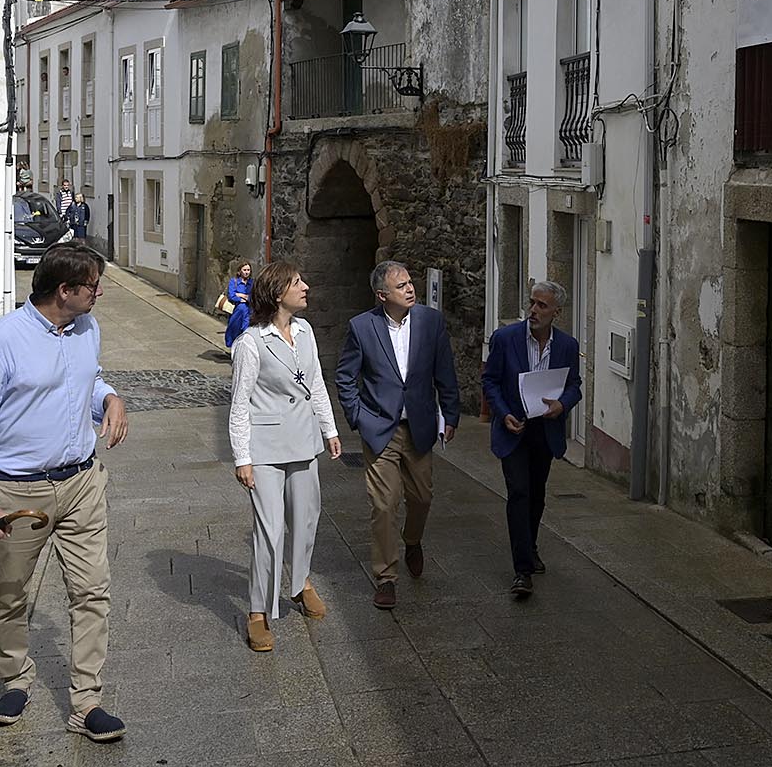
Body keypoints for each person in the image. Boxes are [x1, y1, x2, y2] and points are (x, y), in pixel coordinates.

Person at [0, 241, 129, 743]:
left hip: (80, 482)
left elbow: (84, 380)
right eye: (93, 286)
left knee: (92, 590)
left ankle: (87, 701)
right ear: (65, 290)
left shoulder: (86, 328)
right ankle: (14, 677)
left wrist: (110, 397)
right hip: (17, 494)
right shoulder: (3, 341)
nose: (100, 293)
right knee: (10, 592)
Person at [228, 261, 341, 652]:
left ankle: (300, 582)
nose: (306, 286)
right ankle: (258, 611)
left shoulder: (306, 332)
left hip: (304, 441)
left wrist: (329, 430)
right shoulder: (251, 343)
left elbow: (317, 384)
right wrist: (242, 457)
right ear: (278, 294)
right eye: (298, 282)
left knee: (307, 519)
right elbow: (239, 405)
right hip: (265, 449)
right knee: (270, 530)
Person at [336, 261, 460, 609]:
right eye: (401, 285)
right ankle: (386, 577)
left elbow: (444, 372)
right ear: (382, 295)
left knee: (421, 498)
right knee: (384, 503)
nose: (410, 289)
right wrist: (358, 416)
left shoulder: (430, 322)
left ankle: (413, 540)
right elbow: (346, 376)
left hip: (419, 425)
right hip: (380, 429)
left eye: (410, 283)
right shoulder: (362, 327)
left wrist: (450, 413)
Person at [481, 281, 582, 601]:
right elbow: (490, 380)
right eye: (532, 303)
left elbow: (574, 385)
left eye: (542, 306)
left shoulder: (567, 345)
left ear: (557, 312)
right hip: (513, 428)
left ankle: (531, 546)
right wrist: (502, 412)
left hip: (545, 429)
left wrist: (562, 405)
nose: (534, 310)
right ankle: (522, 570)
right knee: (519, 492)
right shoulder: (505, 339)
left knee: (536, 495)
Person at [223, 261, 253, 349]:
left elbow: (254, 296)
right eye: (244, 270)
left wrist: (241, 295)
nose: (247, 272)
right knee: (234, 328)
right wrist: (241, 297)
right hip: (237, 311)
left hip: (249, 311)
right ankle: (232, 347)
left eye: (248, 270)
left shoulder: (252, 282)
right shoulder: (234, 281)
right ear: (240, 271)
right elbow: (231, 295)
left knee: (246, 329)